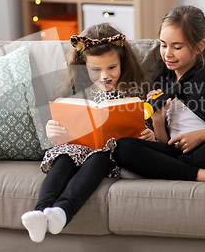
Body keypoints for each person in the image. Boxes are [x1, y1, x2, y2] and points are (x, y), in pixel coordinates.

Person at [21, 23, 154, 243]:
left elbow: (147, 130)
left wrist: (149, 136)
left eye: (112, 68)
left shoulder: (135, 91)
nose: (105, 76)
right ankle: (40, 212)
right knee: (64, 156)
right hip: (77, 149)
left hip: (110, 155)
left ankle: (63, 212)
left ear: (123, 63)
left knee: (100, 156)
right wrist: (52, 131)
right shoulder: (75, 92)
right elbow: (59, 131)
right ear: (83, 67)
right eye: (96, 70)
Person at [114, 5, 205, 183]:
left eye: (177, 47)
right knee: (122, 147)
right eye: (164, 45)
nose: (167, 54)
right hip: (175, 152)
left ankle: (166, 168)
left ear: (199, 46)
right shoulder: (162, 83)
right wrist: (158, 120)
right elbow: (165, 142)